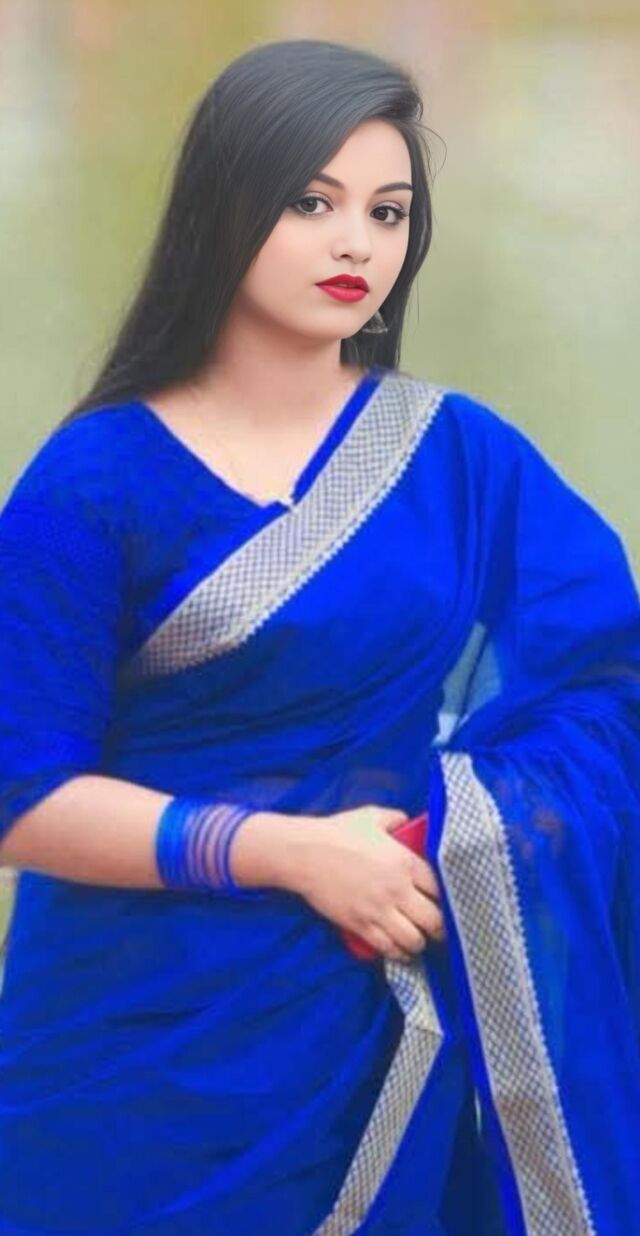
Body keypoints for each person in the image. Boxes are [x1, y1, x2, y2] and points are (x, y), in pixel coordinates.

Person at [0, 36, 638, 1236]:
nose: (356, 243)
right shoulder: (92, 482)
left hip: (378, 1040)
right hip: (127, 1066)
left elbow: (604, 681)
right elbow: (20, 797)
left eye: (387, 212)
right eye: (311, 203)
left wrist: (468, 831)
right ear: (223, 208)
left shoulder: (461, 460)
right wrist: (287, 852)